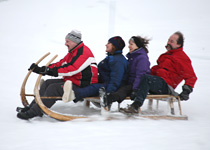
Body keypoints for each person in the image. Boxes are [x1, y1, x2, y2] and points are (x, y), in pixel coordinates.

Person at [16, 29, 98, 120]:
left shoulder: (83, 52)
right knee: (47, 83)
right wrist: (43, 69)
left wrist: (50, 71)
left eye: (67, 41)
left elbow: (72, 69)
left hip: (84, 85)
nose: (65, 44)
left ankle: (34, 112)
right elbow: (60, 64)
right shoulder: (73, 52)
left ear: (75, 41)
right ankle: (32, 107)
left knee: (53, 88)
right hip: (75, 81)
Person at [120, 31, 197, 113]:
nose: (168, 43)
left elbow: (191, 76)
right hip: (157, 83)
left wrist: (186, 91)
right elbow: (158, 70)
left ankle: (135, 106)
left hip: (166, 86)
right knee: (141, 77)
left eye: (171, 41)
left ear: (179, 45)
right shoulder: (166, 55)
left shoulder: (182, 58)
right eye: (168, 40)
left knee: (147, 79)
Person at [63, 36, 129, 105]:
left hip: (112, 86)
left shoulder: (118, 60)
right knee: (90, 83)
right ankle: (74, 93)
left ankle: (73, 94)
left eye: (109, 43)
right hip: (106, 82)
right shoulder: (112, 58)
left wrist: (108, 94)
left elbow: (116, 79)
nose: (106, 45)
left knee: (94, 88)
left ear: (114, 46)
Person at [100, 36, 151, 110]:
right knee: (123, 88)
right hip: (131, 83)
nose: (129, 46)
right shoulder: (132, 57)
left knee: (124, 90)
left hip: (137, 85)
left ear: (137, 46)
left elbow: (140, 75)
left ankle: (109, 99)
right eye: (129, 44)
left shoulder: (142, 58)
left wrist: (135, 89)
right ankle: (108, 99)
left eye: (131, 44)